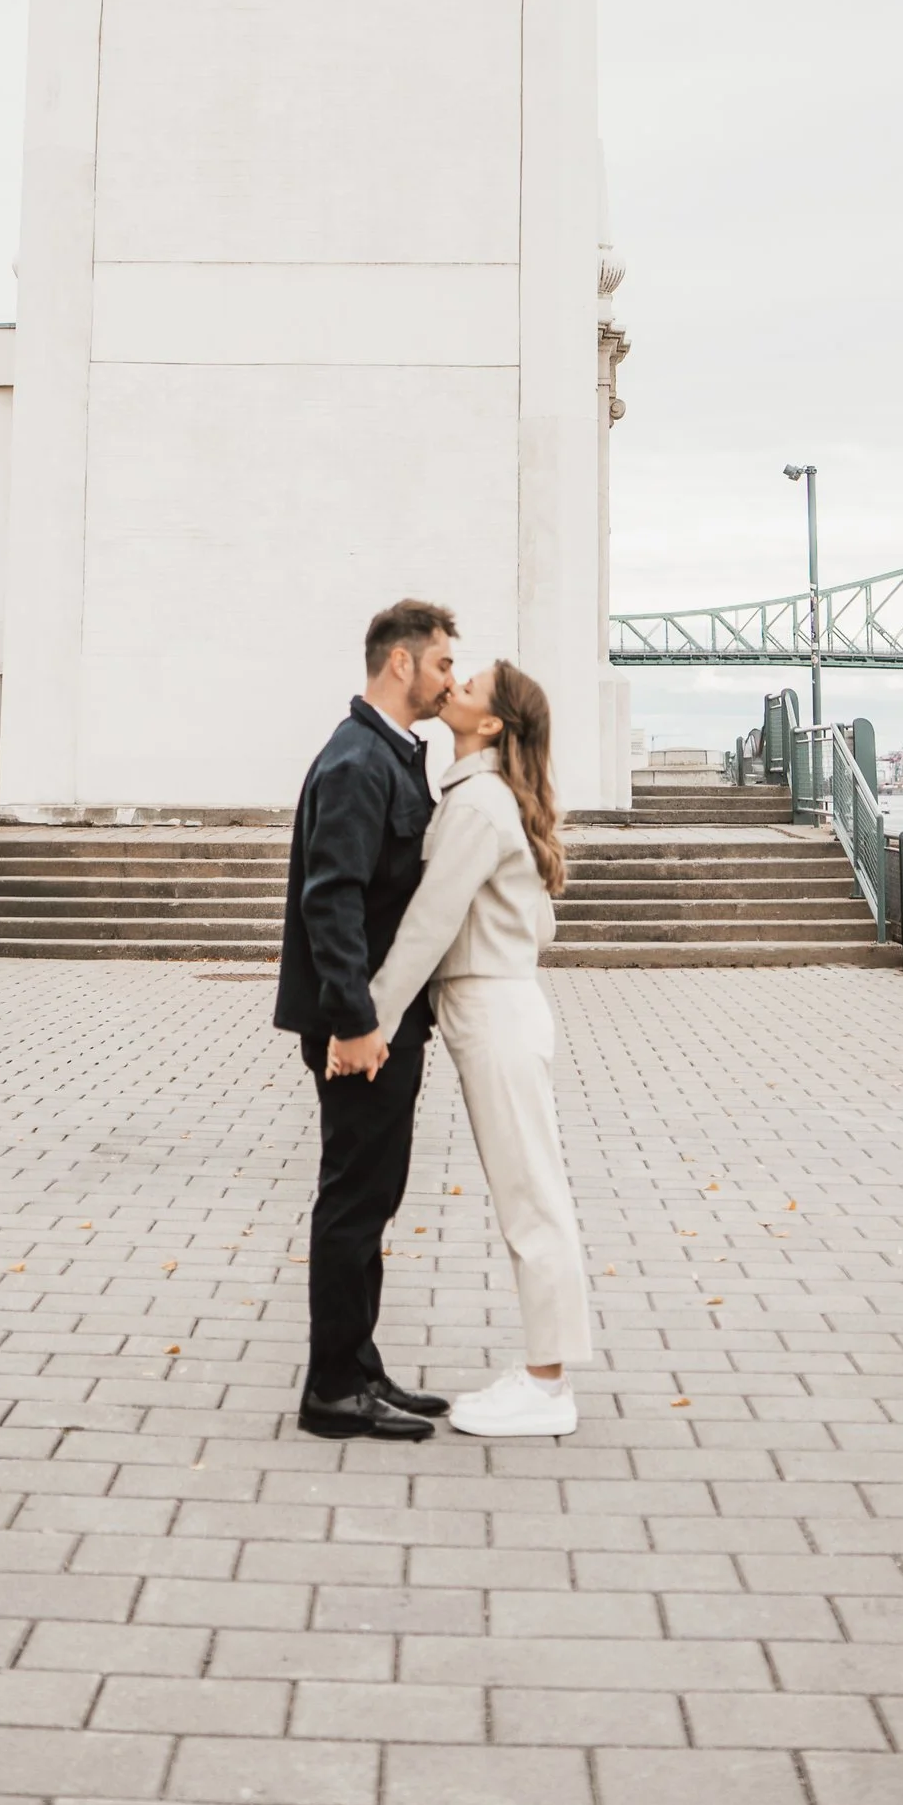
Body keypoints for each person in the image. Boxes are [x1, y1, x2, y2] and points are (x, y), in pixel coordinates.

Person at [358, 658, 591, 1438]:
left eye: (471, 687)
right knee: (531, 1191)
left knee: (531, 1197)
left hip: (492, 1007)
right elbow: (537, 920)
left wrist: (371, 1024)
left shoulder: (479, 804)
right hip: (499, 1002)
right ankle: (543, 1375)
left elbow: (429, 923)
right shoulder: (489, 797)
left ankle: (549, 1385)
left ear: (491, 725)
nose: (453, 687)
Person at [275, 597, 458, 1441]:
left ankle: (359, 1368)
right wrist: (354, 1023)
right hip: (364, 1027)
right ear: (400, 662)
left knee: (372, 1197)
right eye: (444, 663)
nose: (449, 678)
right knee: (354, 1200)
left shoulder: (383, 753)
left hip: (383, 1020)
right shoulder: (358, 762)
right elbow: (332, 900)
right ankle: (332, 1392)